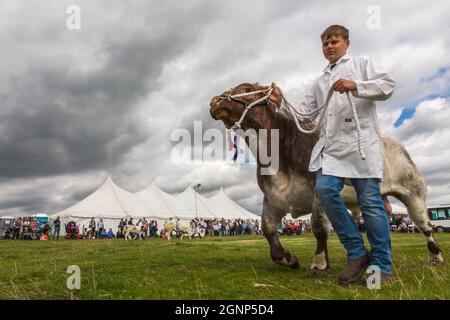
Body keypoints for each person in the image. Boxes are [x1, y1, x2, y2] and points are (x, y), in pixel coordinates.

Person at [268, 25, 395, 286]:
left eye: (334, 41)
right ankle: (357, 252)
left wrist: (356, 85)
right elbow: (304, 114)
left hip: (361, 146)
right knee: (325, 191)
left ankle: (381, 265)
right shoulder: (319, 81)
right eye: (325, 43)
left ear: (347, 43)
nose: (329, 46)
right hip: (332, 150)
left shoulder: (361, 64)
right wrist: (281, 102)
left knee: (370, 202)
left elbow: (388, 86)